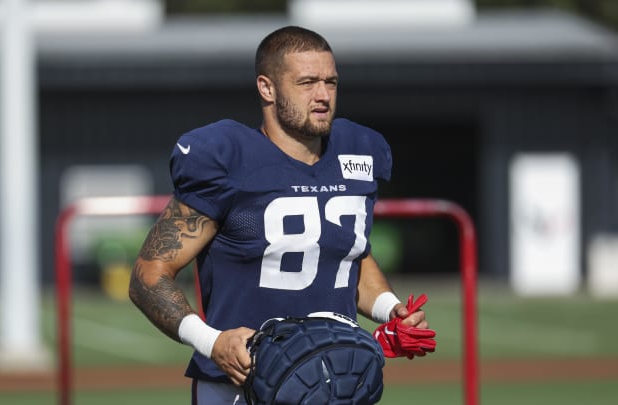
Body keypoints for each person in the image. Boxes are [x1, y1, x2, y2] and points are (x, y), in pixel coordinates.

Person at [129, 25, 432, 404]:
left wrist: (392, 310)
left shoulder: (358, 151)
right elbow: (147, 277)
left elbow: (350, 253)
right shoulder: (228, 158)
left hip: (336, 385)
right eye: (307, 82)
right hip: (240, 387)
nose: (322, 96)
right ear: (267, 88)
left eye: (331, 82)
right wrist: (212, 341)